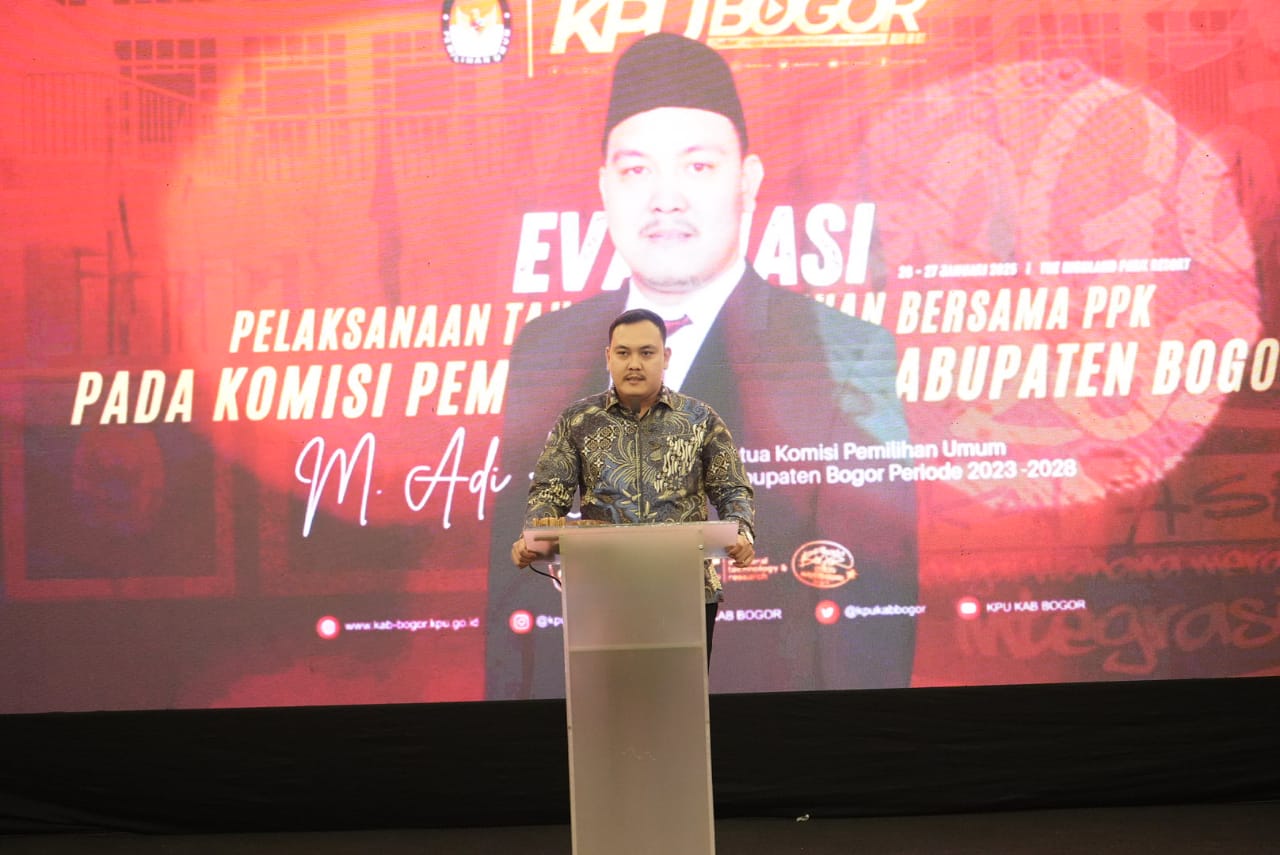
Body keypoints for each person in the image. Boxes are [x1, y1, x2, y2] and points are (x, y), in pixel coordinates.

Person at [486, 32, 918, 699]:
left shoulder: (841, 349)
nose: (666, 199)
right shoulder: (547, 348)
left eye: (697, 166)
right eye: (636, 170)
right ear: (604, 187)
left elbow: (871, 612)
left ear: (748, 181)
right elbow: (517, 590)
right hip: (586, 726)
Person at [510, 308, 756, 658]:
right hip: (602, 592)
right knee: (608, 691)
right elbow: (550, 491)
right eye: (623, 353)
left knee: (679, 691)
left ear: (665, 357)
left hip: (685, 590)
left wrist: (742, 532)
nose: (634, 364)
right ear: (608, 357)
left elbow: (732, 488)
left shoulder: (699, 419)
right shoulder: (578, 420)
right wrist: (534, 535)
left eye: (646, 353)